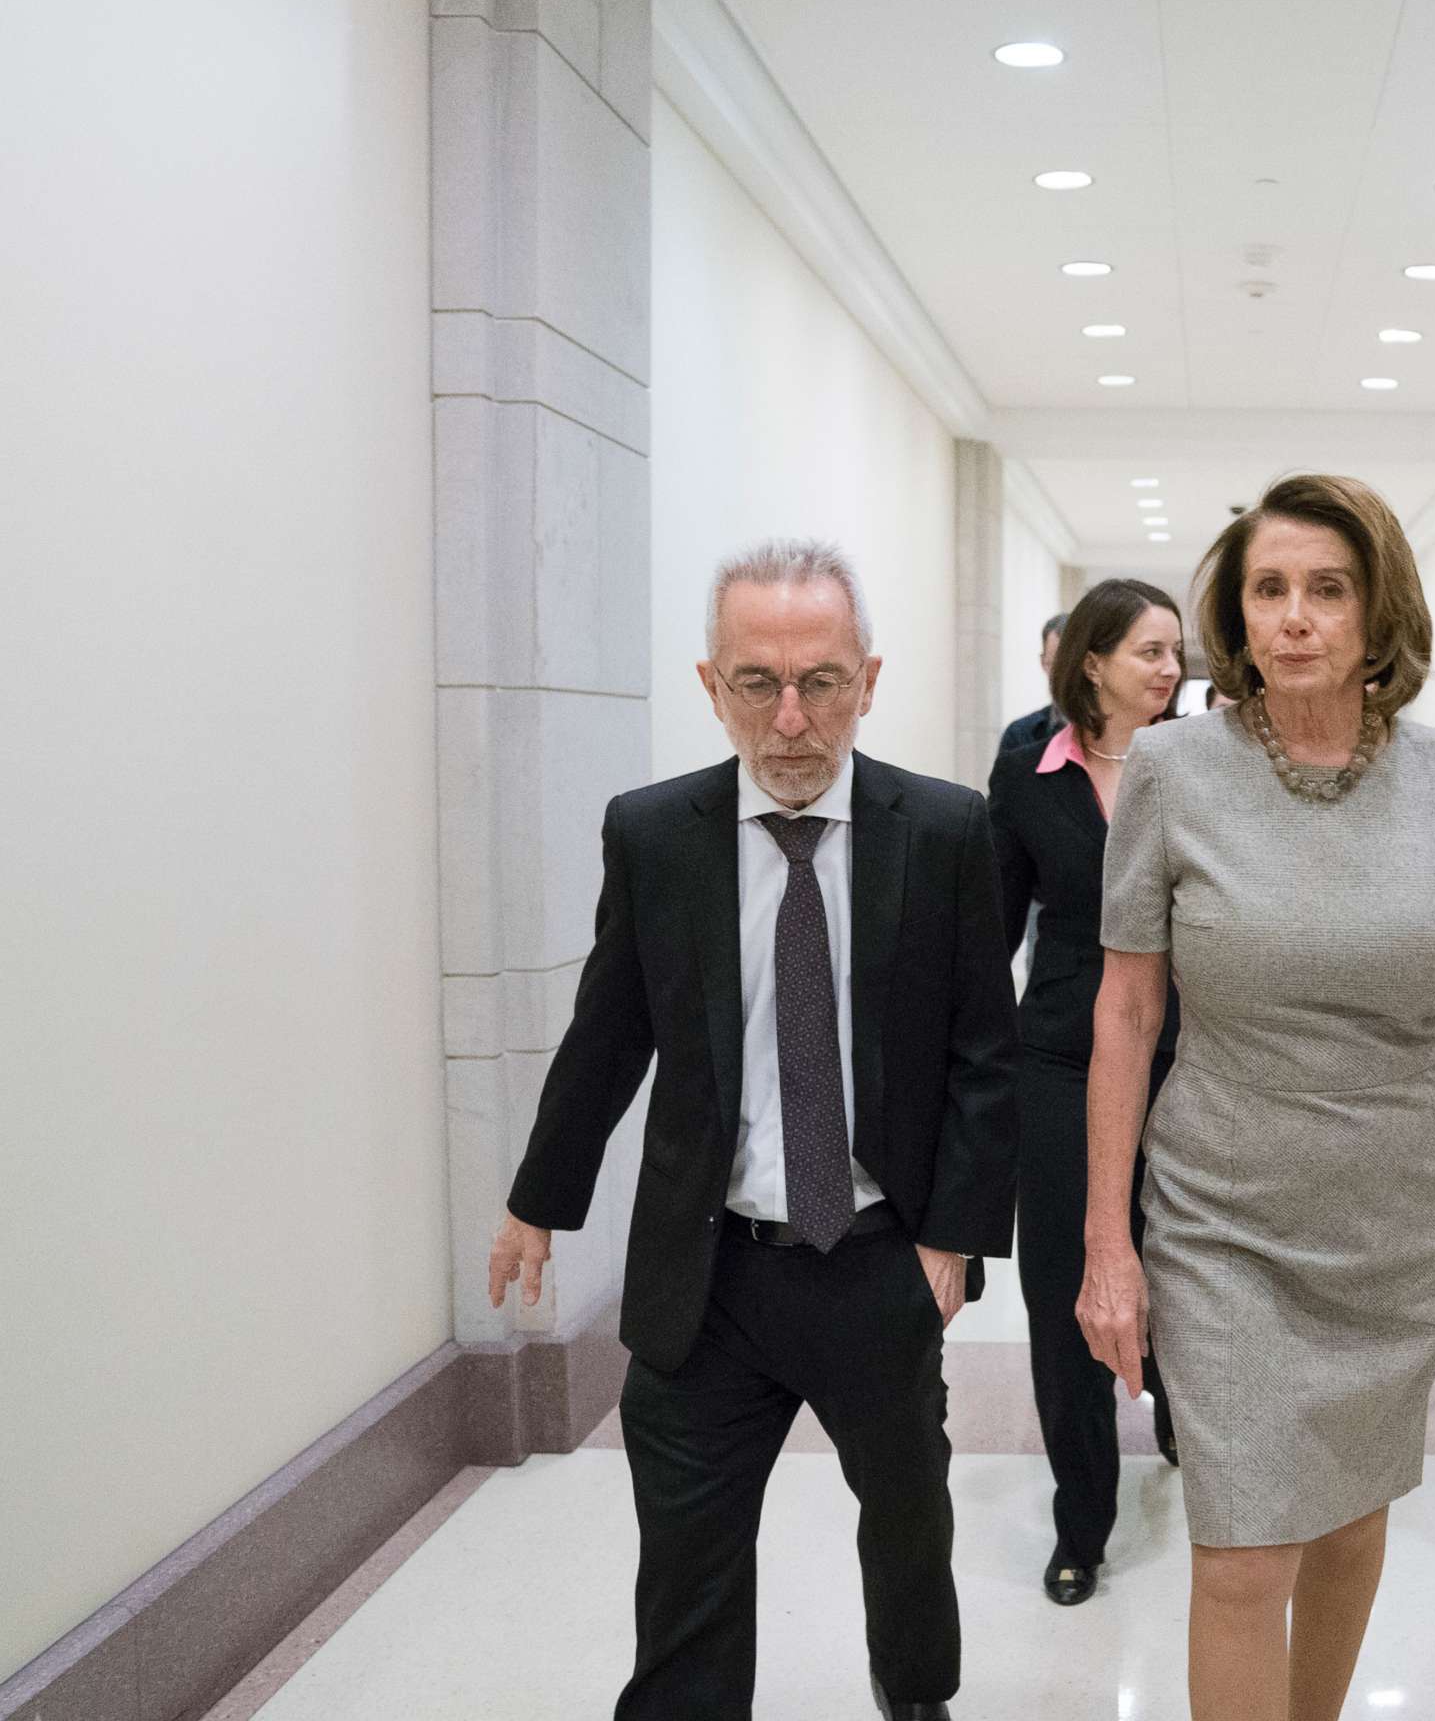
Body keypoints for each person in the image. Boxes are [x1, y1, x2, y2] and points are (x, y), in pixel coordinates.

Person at [1076, 474, 1435, 1721]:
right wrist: (1104, 1241)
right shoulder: (1174, 770)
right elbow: (1125, 1010)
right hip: (1222, 1207)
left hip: (1393, 1213)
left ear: (1377, 609)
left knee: (1347, 1522)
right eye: (1269, 590)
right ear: (1236, 617)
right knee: (1242, 1552)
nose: (1296, 617)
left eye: (1327, 590)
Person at [488, 539, 1018, 1721]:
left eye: (821, 682)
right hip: (708, 1270)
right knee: (685, 1561)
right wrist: (538, 1198)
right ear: (709, 684)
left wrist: (955, 1239)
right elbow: (609, 1034)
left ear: (867, 682)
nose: (790, 719)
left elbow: (988, 1050)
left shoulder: (941, 832)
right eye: (757, 683)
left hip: (881, 1257)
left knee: (908, 1521)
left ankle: (918, 1696)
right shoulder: (655, 834)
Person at [988, 578, 1187, 1607]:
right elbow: (993, 924)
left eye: (1175, 653)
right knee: (1068, 1281)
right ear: (1093, 662)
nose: (1171, 669)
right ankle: (1082, 1520)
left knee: (1182, 1264)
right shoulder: (1031, 772)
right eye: (1150, 651)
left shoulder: (1205, 763)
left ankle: (1181, 1424)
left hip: (1192, 1058)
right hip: (1062, 1058)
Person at [999, 613, 1068, 755]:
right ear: (1043, 663)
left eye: (1071, 663)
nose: (1065, 673)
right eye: (1055, 664)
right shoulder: (1019, 736)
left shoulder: (1113, 734)